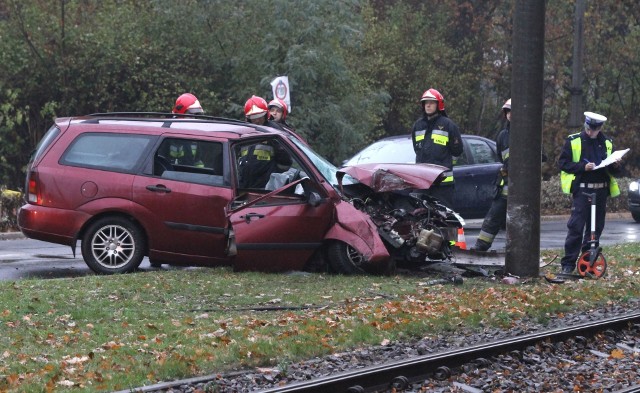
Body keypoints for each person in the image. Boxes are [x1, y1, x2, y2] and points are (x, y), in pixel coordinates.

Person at [558, 111, 623, 274]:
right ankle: (568, 264)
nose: (590, 131)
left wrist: (615, 165)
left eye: (593, 129)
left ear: (600, 128)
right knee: (576, 227)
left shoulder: (607, 143)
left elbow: (616, 172)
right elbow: (563, 163)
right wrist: (582, 167)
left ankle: (588, 262)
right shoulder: (574, 141)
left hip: (601, 190)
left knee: (595, 228)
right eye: (588, 128)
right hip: (582, 190)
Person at [411, 88, 463, 208]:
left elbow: (458, 150)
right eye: (425, 102)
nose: (428, 105)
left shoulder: (448, 125)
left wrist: (445, 164)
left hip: (443, 183)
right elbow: (417, 149)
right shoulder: (418, 126)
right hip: (422, 181)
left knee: (444, 217)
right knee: (418, 215)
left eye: (431, 102)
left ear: (439, 105)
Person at [471, 99, 511, 252]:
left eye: (512, 111)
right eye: (508, 112)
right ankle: (480, 247)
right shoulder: (502, 136)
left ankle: (517, 252)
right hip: (506, 184)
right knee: (493, 217)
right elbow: (502, 159)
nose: (510, 115)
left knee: (518, 221)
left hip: (523, 188)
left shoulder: (528, 134)